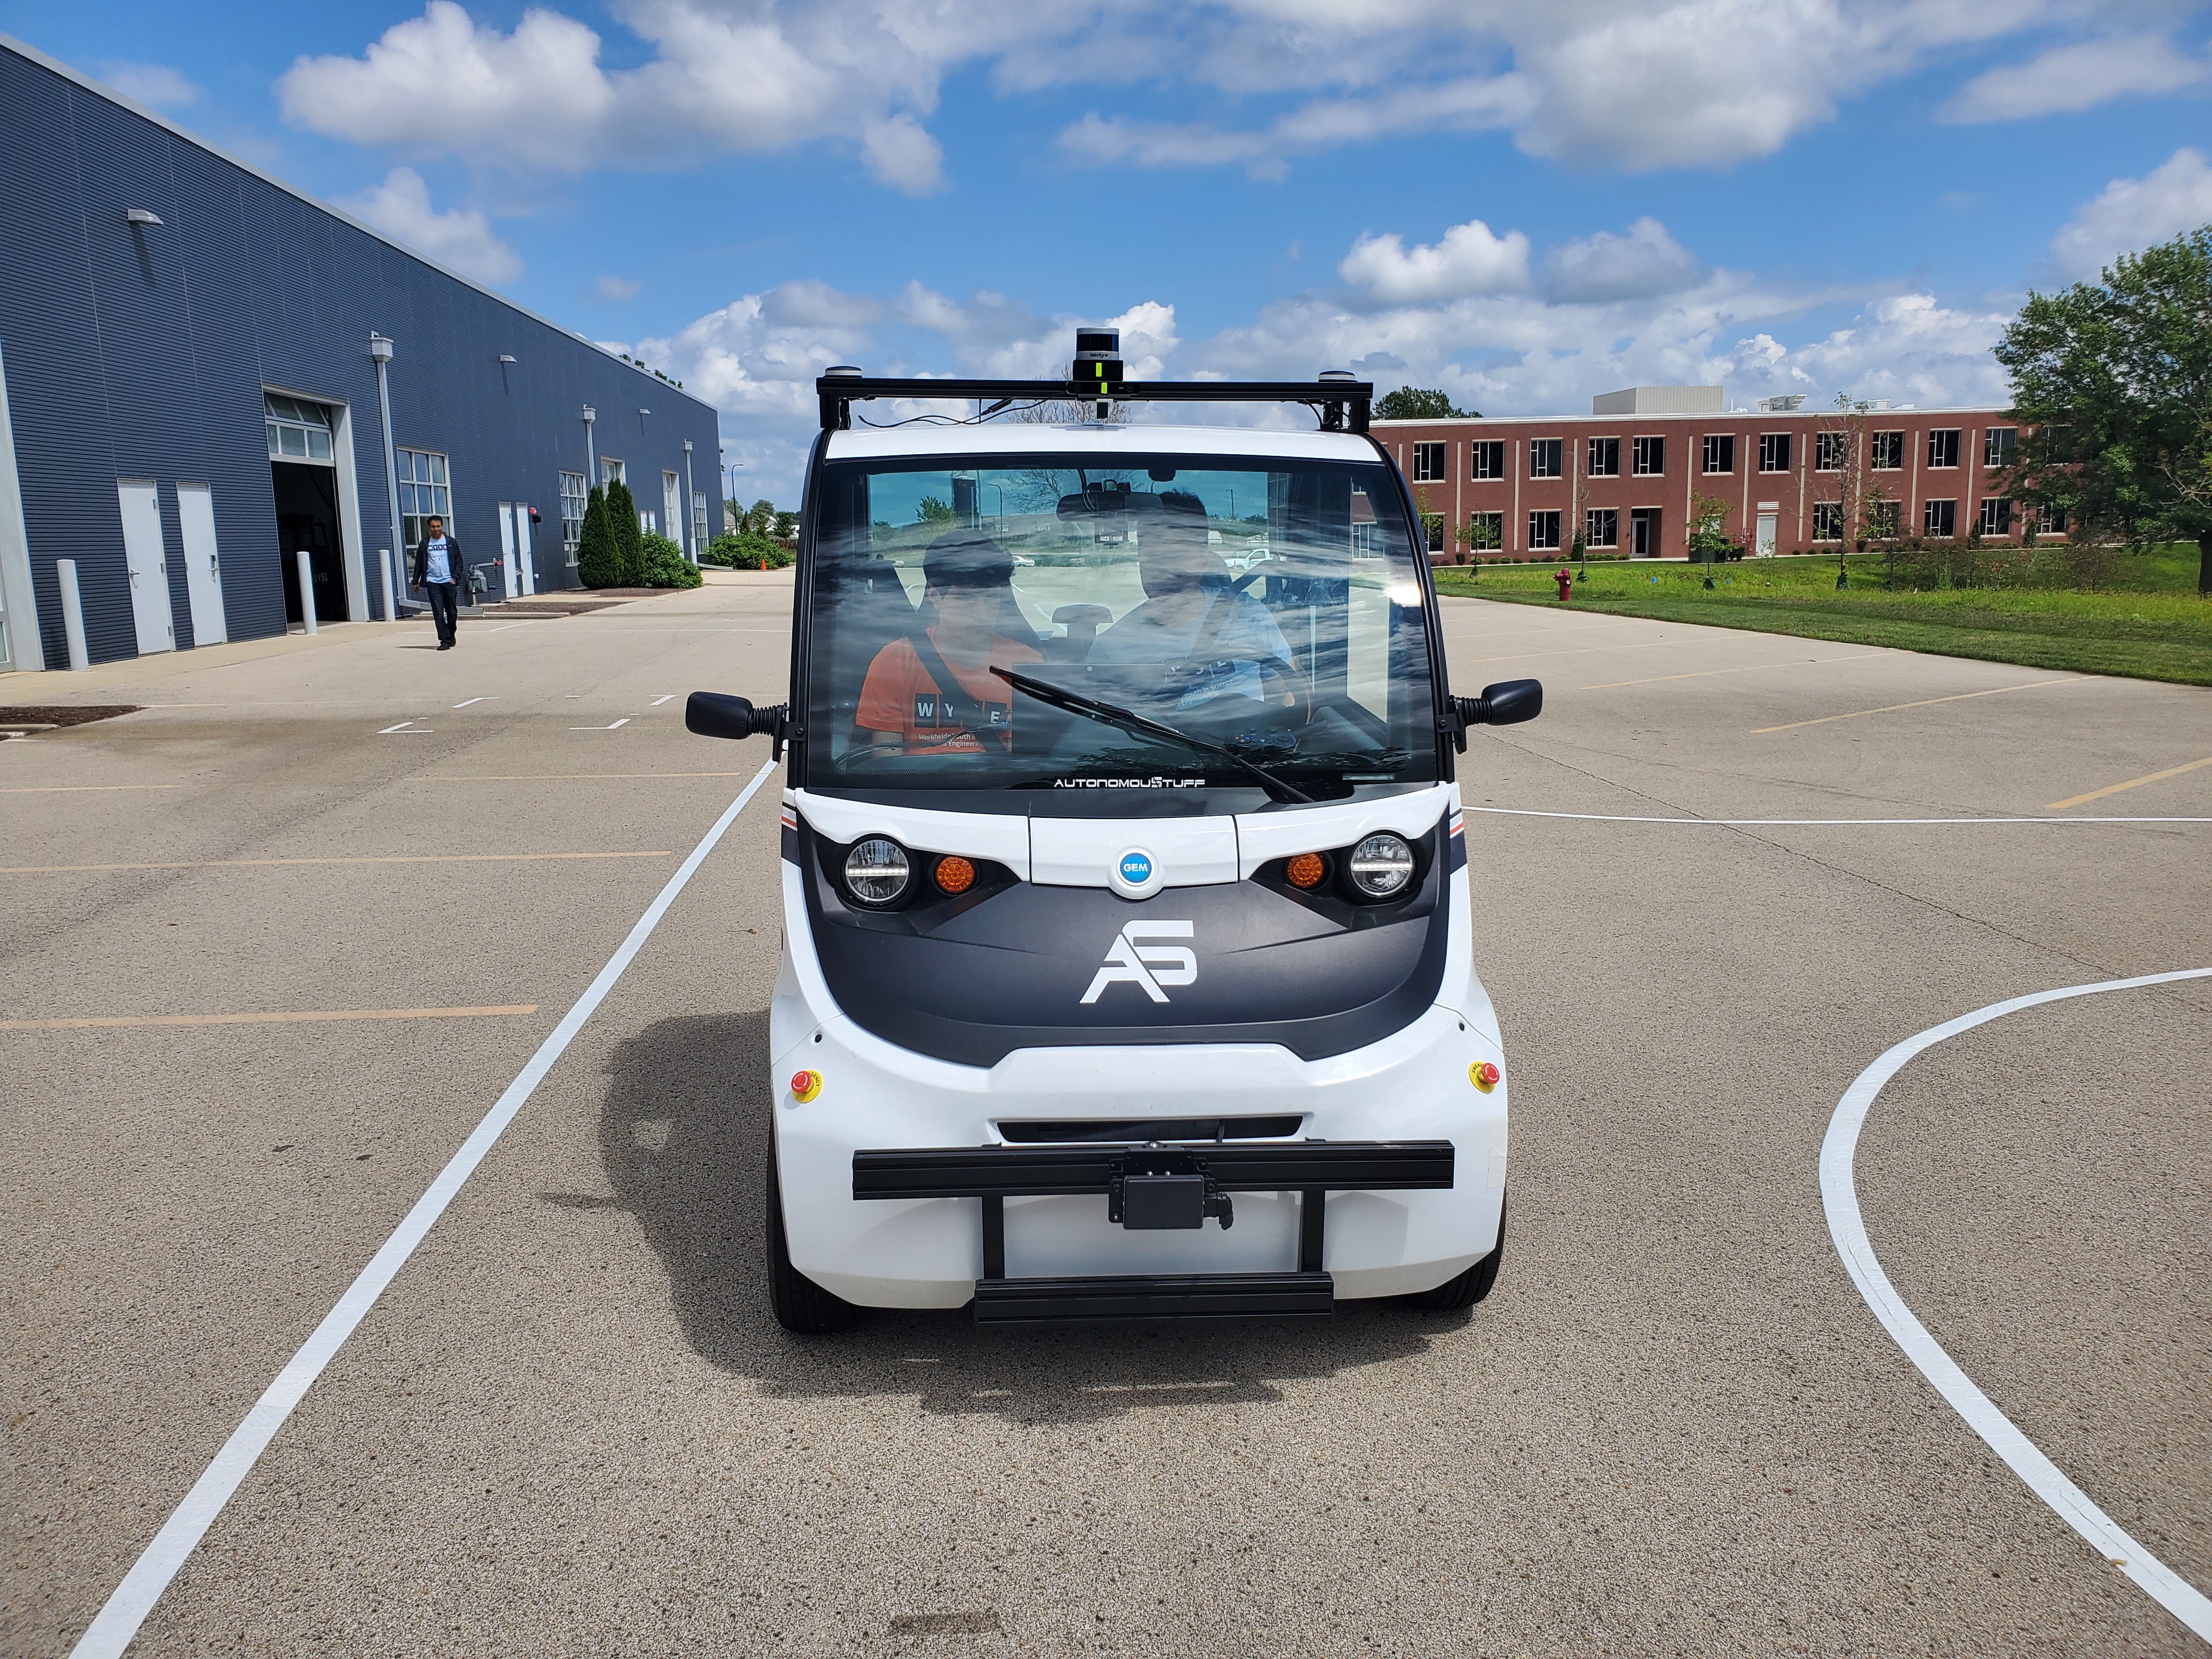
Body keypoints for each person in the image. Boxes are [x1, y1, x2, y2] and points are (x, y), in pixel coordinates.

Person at [1088, 509, 1302, 715]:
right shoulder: (1110, 650)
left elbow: (1291, 693)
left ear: (1205, 559)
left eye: (1179, 553)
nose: (1165, 569)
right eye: (1153, 554)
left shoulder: (1249, 613)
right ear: (1140, 560)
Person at [855, 529, 1042, 754]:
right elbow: (886, 762)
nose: (982, 612)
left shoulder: (1028, 665)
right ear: (935, 596)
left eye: (991, 598)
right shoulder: (893, 663)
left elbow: (1028, 758)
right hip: (919, 788)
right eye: (966, 598)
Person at [412, 514, 461, 650]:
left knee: (452, 612)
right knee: (438, 612)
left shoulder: (450, 542)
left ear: (442, 527)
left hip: (448, 581)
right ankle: (444, 640)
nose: (436, 529)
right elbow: (419, 564)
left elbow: (458, 562)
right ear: (429, 528)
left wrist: (454, 578)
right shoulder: (425, 543)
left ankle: (451, 634)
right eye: (433, 527)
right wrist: (415, 581)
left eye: (438, 526)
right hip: (433, 582)